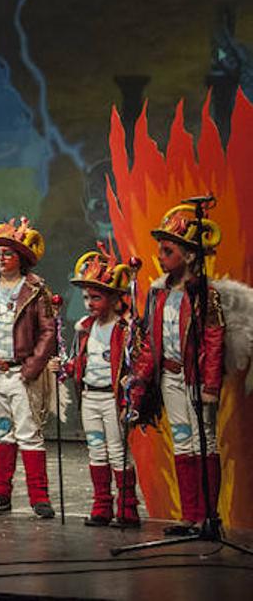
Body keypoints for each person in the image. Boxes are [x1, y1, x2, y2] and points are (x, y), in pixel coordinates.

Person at [126, 203, 225, 536]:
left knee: (204, 441)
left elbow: (214, 339)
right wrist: (139, 378)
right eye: (161, 250)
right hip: (169, 377)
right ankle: (191, 515)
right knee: (182, 442)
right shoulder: (157, 292)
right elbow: (151, 340)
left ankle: (209, 518)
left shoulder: (204, 294)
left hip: (195, 378)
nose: (161, 256)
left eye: (168, 251)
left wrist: (211, 384)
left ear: (190, 256)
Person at [0, 217, 58, 518]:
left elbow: (49, 331)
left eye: (7, 253)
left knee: (29, 434)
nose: (1, 259)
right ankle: (0, 493)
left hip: (21, 373)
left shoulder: (34, 290)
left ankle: (39, 497)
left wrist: (31, 368)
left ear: (21, 257)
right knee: (1, 433)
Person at [55, 247, 141, 527]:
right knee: (96, 450)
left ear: (115, 298)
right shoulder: (86, 328)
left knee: (117, 451)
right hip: (90, 397)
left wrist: (131, 382)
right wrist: (66, 368)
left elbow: (132, 362)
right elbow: (83, 362)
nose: (90, 303)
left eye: (96, 297)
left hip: (112, 399)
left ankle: (127, 508)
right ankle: (101, 505)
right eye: (86, 297)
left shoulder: (123, 329)